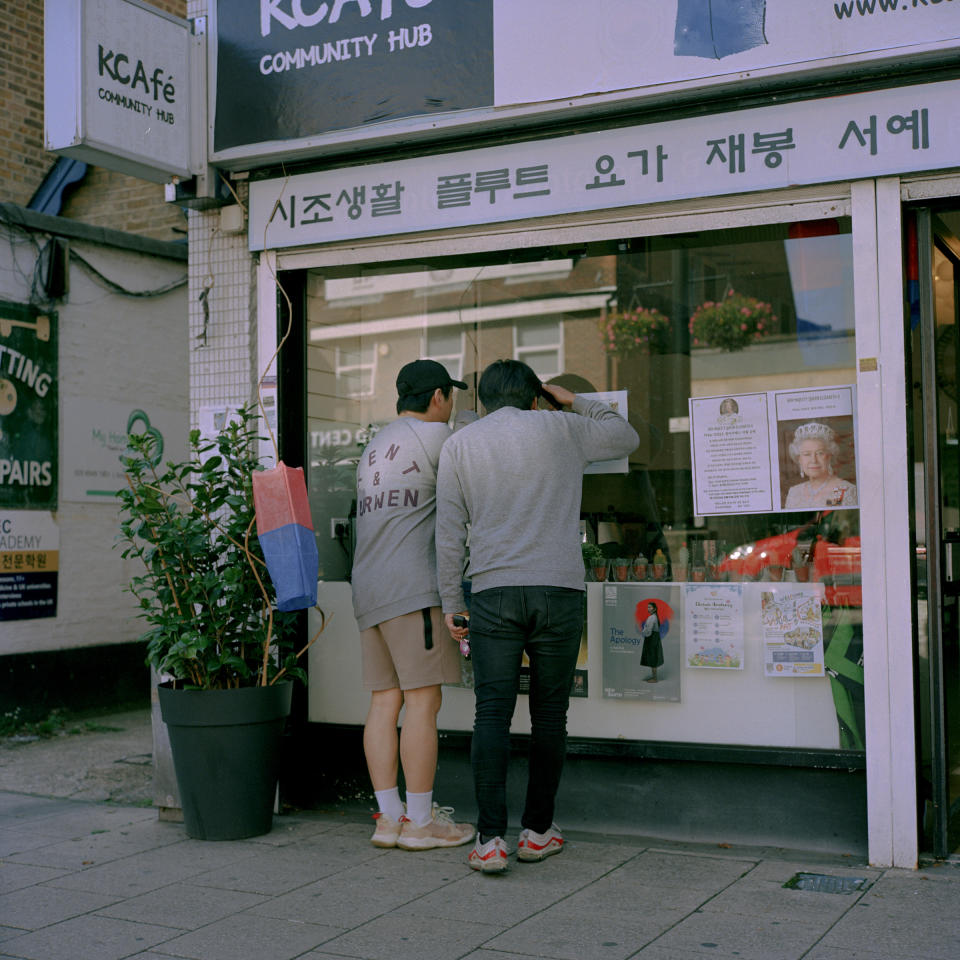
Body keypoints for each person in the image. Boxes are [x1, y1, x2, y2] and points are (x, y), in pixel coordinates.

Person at [435, 359, 639, 873]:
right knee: (550, 716)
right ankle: (537, 831)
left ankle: (489, 840)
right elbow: (625, 435)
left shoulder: (462, 444)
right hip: (558, 590)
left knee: (491, 713)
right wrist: (571, 398)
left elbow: (448, 532)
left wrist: (450, 602)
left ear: (483, 401)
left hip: (493, 592)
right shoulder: (564, 427)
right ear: (534, 396)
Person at [351, 359, 475, 852]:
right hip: (413, 589)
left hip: (369, 587)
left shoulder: (374, 447)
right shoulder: (440, 439)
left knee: (384, 701)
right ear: (440, 397)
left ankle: (389, 819)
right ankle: (421, 823)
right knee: (424, 701)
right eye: (452, 397)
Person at [784, 422, 857, 509]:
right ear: (799, 459)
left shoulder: (844, 490)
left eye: (820, 453)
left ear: (829, 456)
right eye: (807, 454)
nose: (813, 460)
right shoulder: (794, 492)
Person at [639, 601, 664, 683]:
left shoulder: (652, 618)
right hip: (654, 638)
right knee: (653, 657)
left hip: (652, 639)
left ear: (654, 608)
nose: (648, 608)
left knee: (653, 658)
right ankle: (654, 676)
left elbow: (648, 631)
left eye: (650, 607)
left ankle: (655, 678)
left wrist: (644, 633)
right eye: (648, 607)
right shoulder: (654, 617)